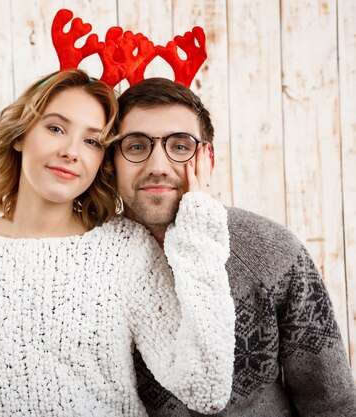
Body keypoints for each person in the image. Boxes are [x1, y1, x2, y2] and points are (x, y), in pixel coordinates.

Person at [0, 69, 236, 416]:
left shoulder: (126, 250)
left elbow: (206, 387)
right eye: (56, 128)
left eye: (92, 141)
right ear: (21, 134)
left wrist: (199, 217)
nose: (72, 152)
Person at [112, 77, 356, 416]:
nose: (158, 167)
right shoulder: (88, 263)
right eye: (136, 146)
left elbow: (331, 402)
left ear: (207, 158)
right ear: (111, 161)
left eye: (180, 146)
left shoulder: (273, 252)